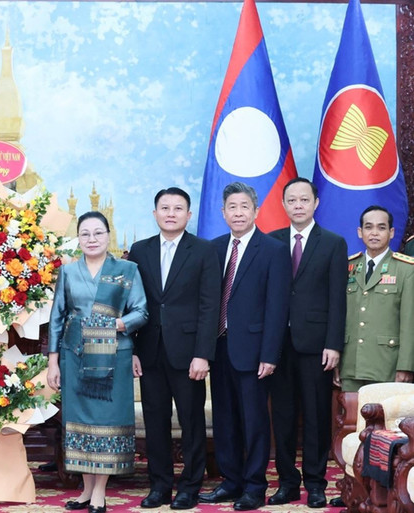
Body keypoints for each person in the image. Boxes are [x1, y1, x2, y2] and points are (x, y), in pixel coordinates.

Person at [198, 182, 290, 511]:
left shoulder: (273, 250)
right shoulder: (214, 248)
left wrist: (270, 354)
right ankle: (231, 480)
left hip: (254, 352)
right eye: (232, 208)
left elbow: (278, 307)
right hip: (219, 347)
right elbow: (208, 302)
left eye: (244, 207)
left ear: (256, 210)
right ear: (223, 214)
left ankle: (254, 486)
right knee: (225, 419)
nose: (238, 213)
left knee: (254, 422)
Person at [48, 211, 148, 513]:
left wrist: (115, 325)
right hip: (74, 356)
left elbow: (141, 312)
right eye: (85, 234)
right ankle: (86, 489)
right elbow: (57, 318)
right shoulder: (67, 271)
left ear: (108, 235)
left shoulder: (127, 270)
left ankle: (100, 493)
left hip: (114, 358)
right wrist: (53, 362)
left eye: (98, 233)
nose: (92, 239)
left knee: (106, 423)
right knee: (79, 425)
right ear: (78, 239)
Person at [128, 188, 220, 510]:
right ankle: (159, 486)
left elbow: (210, 306)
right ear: (155, 214)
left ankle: (189, 487)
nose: (170, 213)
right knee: (156, 422)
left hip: (188, 353)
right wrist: (133, 350)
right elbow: (132, 304)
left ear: (188, 215)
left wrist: (203, 353)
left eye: (178, 208)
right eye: (164, 208)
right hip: (149, 351)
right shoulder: (139, 251)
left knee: (192, 422)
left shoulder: (204, 251)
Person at [267, 177, 347, 508]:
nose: (298, 205)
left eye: (304, 200)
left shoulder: (332, 243)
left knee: (316, 417)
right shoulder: (270, 242)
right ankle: (287, 482)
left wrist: (334, 344)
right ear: (283, 205)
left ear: (315, 203)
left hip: (316, 346)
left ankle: (315, 483)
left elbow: (337, 299)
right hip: (277, 346)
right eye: (292, 200)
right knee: (283, 417)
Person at [336, 205, 414, 392]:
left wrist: (405, 366)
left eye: (381, 227)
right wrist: (337, 359)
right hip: (351, 365)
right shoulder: (347, 267)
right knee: (351, 420)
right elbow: (338, 316)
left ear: (392, 232)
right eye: (368, 227)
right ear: (359, 232)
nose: (374, 233)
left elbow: (409, 322)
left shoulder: (406, 270)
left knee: (385, 420)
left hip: (387, 366)